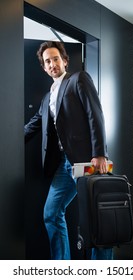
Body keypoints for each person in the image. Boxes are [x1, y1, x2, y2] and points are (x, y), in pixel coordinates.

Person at [24, 41, 113, 260]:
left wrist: (99, 153)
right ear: (44, 68)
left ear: (64, 61)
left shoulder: (78, 80)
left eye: (55, 59)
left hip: (86, 161)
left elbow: (96, 114)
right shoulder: (47, 98)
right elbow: (33, 125)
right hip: (64, 165)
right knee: (52, 213)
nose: (52, 64)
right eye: (47, 61)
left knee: (96, 218)